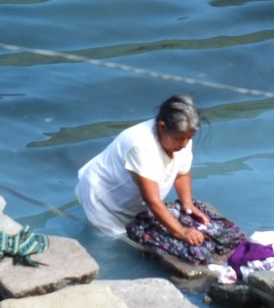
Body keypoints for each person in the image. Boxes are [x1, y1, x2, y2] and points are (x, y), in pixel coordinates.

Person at [77, 94, 211, 244]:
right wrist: (181, 231)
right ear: (162, 127)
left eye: (189, 138)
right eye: (179, 139)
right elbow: (152, 199)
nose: (184, 144)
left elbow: (182, 174)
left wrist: (187, 203)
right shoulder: (140, 145)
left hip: (135, 200)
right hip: (104, 199)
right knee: (108, 244)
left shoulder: (182, 137)